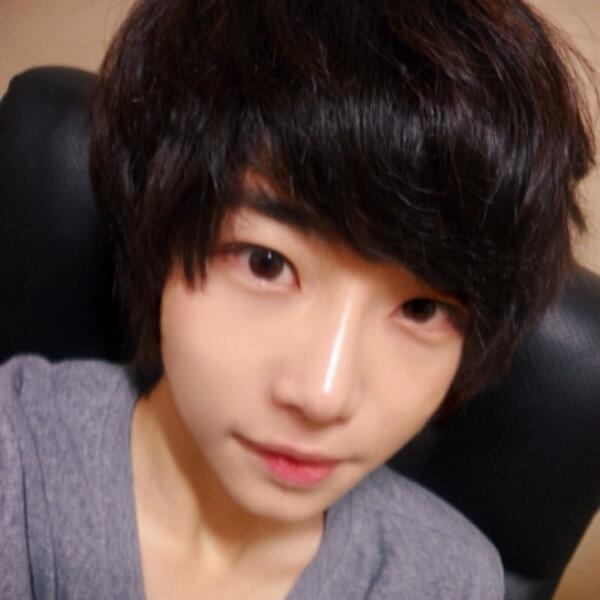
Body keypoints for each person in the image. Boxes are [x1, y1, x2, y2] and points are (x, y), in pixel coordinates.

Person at [1, 0, 594, 598]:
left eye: (421, 309)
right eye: (266, 263)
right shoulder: (18, 461)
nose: (323, 395)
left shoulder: (452, 580)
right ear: (160, 230)